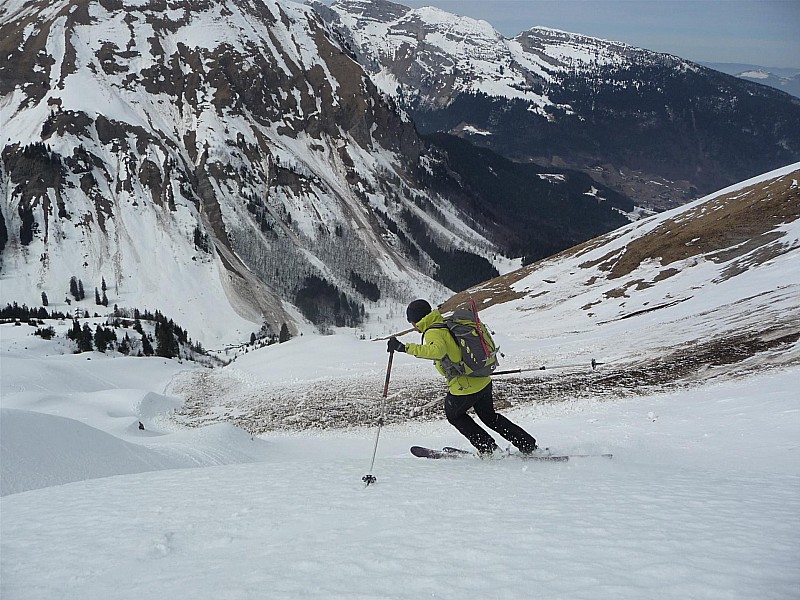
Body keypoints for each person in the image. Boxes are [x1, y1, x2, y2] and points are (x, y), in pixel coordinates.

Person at [388, 299, 538, 457]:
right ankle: (527, 445)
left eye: (410, 321)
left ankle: (488, 449)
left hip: (465, 385)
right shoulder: (443, 322)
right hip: (481, 378)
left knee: (454, 414)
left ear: (415, 320)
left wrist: (403, 348)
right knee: (490, 417)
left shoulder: (433, 331)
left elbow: (437, 351)